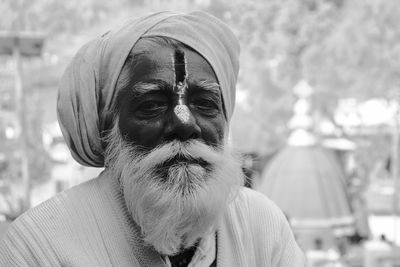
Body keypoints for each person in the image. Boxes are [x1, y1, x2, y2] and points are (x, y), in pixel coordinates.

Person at [0, 11, 306, 266]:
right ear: (109, 129)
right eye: (152, 105)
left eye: (205, 104)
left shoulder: (261, 226)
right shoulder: (39, 246)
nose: (185, 124)